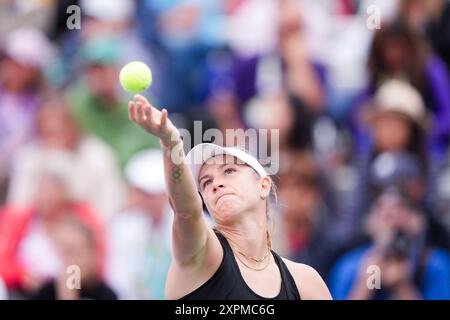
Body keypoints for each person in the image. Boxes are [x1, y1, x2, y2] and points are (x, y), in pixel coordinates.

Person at [127, 94, 332, 300]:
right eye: (206, 182)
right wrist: (171, 144)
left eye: (229, 171)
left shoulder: (305, 281)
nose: (216, 184)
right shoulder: (203, 253)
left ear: (263, 185)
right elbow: (186, 212)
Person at [34, 216, 117, 300]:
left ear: (92, 254)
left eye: (75, 252)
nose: (71, 261)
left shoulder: (106, 295)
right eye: (64, 253)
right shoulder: (46, 292)